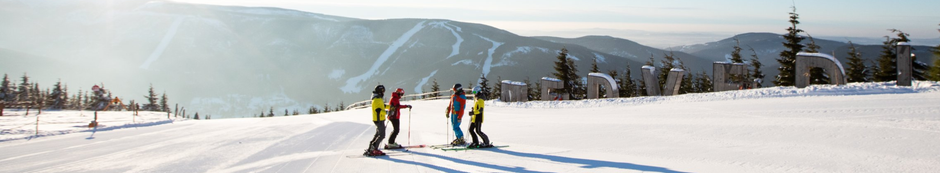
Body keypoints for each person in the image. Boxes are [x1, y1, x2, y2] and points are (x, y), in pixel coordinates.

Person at [365, 85, 389, 156]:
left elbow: (382, 106)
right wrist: (387, 112)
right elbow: (378, 110)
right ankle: (374, 149)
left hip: (379, 119)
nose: (383, 93)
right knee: (382, 135)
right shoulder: (376, 99)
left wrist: (390, 107)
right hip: (379, 119)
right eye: (382, 91)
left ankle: (371, 147)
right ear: (379, 91)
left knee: (378, 134)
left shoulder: (378, 98)